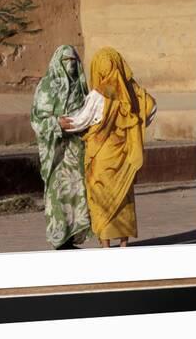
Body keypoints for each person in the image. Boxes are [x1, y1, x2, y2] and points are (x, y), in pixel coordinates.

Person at [62, 47, 157, 248]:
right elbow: (151, 107)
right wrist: (139, 125)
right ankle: (123, 243)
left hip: (102, 156)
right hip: (125, 155)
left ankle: (105, 245)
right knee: (123, 197)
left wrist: (60, 122)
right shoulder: (134, 91)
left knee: (100, 198)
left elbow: (81, 121)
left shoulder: (99, 94)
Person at [30, 45, 92, 250]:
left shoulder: (80, 86)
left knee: (77, 193)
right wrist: (57, 124)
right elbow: (37, 120)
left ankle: (72, 238)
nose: (71, 65)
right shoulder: (46, 87)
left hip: (76, 150)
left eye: (74, 61)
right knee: (58, 194)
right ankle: (60, 240)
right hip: (56, 153)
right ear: (58, 62)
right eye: (67, 61)